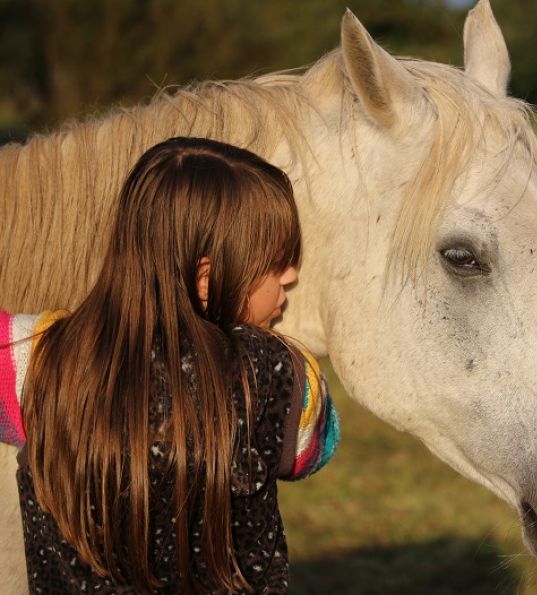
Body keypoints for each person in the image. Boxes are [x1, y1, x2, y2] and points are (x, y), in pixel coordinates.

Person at [0, 137, 339, 594]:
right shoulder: (274, 372)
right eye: (275, 262)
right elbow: (317, 447)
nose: (291, 275)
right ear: (206, 279)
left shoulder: (39, 363)